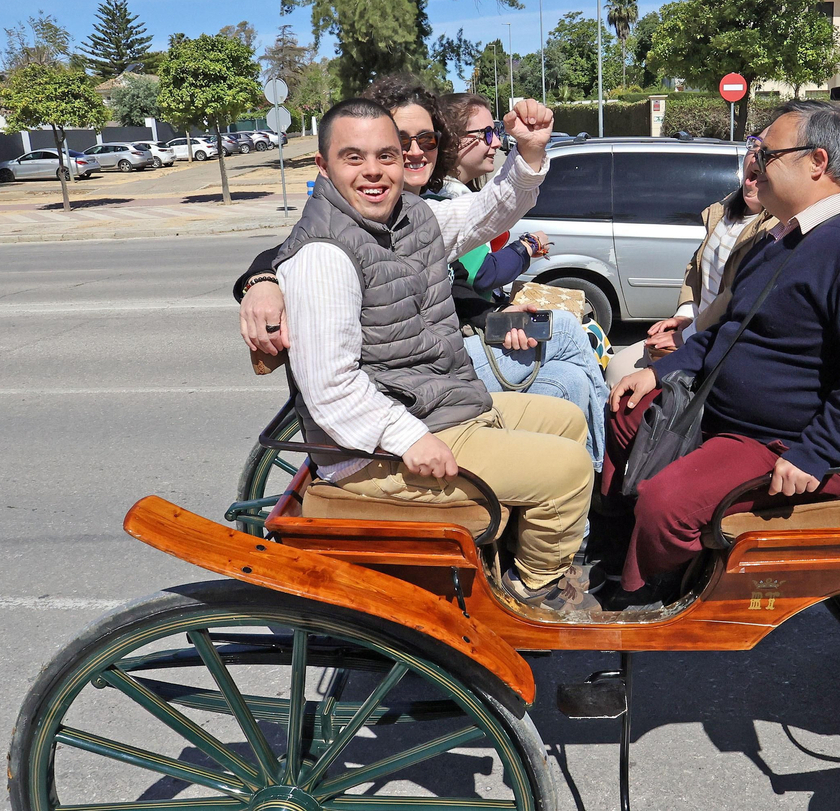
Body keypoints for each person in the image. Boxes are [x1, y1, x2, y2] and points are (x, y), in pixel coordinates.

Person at [277, 94, 600, 613]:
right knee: (568, 470)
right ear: (322, 165)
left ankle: (513, 554)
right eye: (353, 157)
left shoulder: (409, 217)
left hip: (436, 405)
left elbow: (483, 213)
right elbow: (330, 386)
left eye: (386, 155)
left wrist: (529, 154)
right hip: (374, 449)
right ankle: (533, 593)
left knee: (567, 420)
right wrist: (409, 438)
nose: (374, 171)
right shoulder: (324, 256)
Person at [604, 101, 840, 606]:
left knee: (668, 502)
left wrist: (815, 452)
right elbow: (729, 332)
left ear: (817, 162)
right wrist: (662, 373)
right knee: (624, 411)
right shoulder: (779, 240)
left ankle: (646, 594)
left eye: (767, 152)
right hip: (726, 417)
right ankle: (619, 545)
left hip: (784, 440)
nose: (755, 162)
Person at [235, 79, 609, 464]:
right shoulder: (348, 226)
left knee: (567, 382)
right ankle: (598, 473)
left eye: (426, 140)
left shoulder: (420, 211)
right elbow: (306, 249)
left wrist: (529, 151)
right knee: (566, 340)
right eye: (400, 142)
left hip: (444, 368)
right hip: (412, 390)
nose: (414, 152)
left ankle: (587, 478)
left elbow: (481, 222)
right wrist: (262, 280)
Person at [604, 151, 776, 386]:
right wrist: (686, 314)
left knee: (621, 376)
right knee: (616, 370)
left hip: (718, 345)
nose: (757, 157)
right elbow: (697, 265)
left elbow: (734, 295)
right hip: (696, 332)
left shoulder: (774, 228)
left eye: (767, 151)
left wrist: (688, 335)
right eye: (753, 146)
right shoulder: (725, 210)